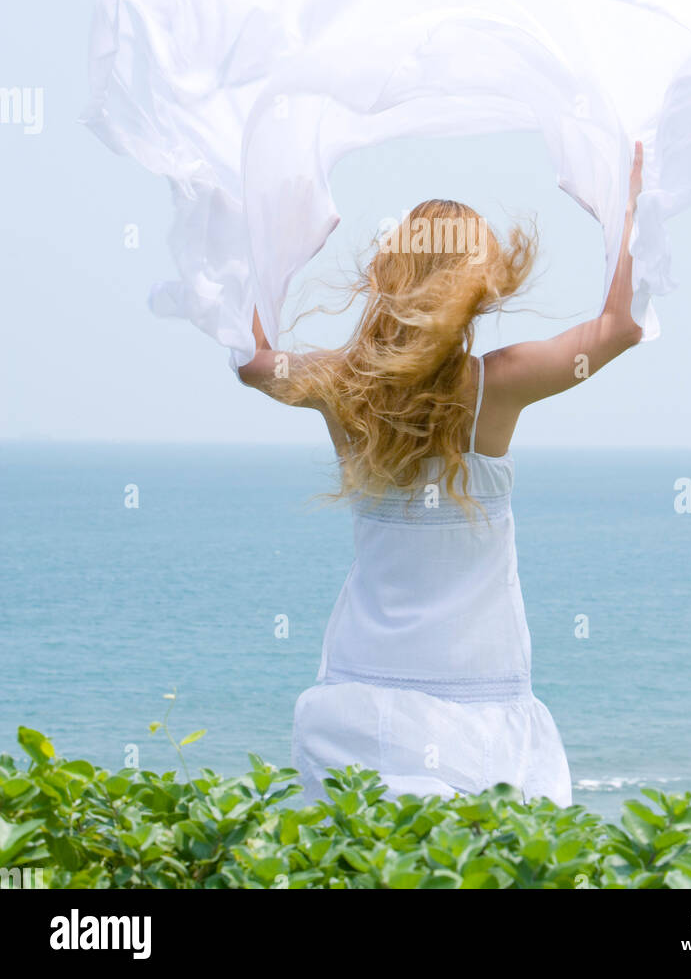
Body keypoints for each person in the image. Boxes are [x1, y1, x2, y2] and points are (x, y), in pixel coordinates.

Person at [237, 144, 644, 806]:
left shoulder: (341, 383)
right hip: (479, 702)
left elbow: (255, 363)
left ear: (390, 274)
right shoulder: (498, 385)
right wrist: (627, 208)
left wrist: (262, 232)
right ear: (479, 286)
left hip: (360, 702)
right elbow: (620, 327)